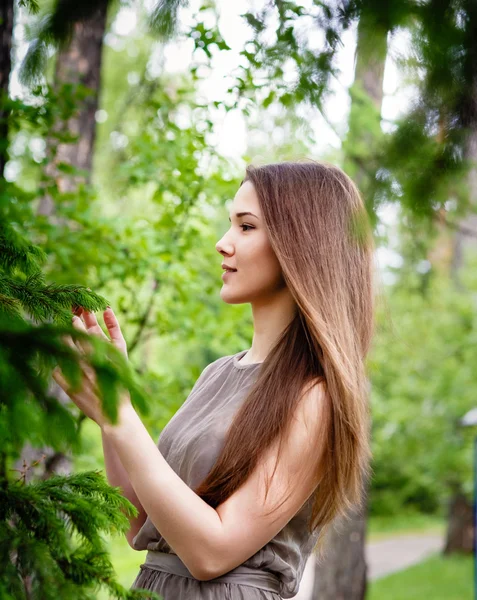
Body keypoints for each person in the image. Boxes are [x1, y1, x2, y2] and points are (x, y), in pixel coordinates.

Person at [53, 160, 376, 599]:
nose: (222, 244)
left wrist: (120, 417)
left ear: (300, 243)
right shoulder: (217, 375)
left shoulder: (313, 395)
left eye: (246, 227)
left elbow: (212, 553)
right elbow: (138, 521)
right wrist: (113, 395)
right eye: (230, 224)